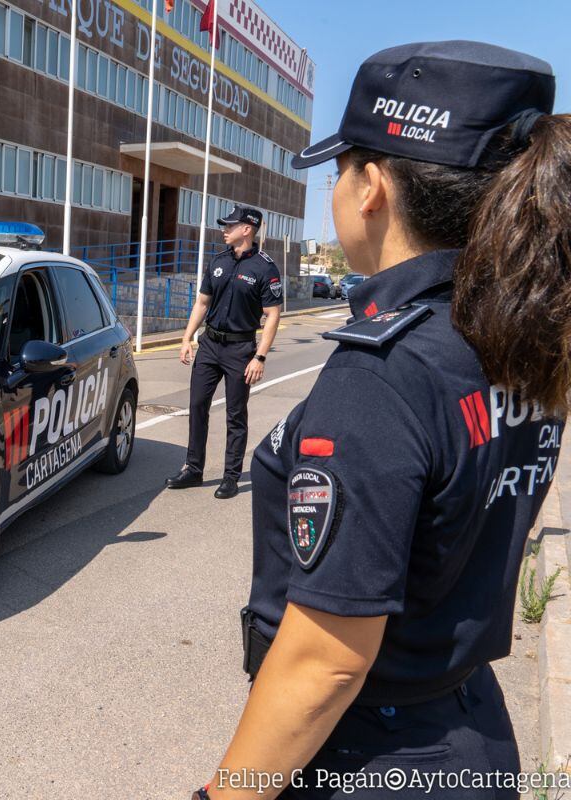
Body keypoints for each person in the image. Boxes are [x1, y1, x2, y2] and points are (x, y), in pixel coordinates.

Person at [190, 41, 569, 799]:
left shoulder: (382, 372)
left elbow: (326, 661)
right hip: (471, 727)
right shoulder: (516, 335)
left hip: (372, 754)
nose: (334, 189)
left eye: (339, 170)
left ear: (371, 187)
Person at [166, 206, 283, 500]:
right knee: (197, 406)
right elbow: (202, 303)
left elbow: (272, 315)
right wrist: (186, 338)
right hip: (210, 345)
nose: (224, 230)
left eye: (230, 225)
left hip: (240, 350)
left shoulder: (265, 268)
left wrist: (259, 357)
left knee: (235, 414)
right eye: (224, 225)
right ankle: (194, 469)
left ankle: (231, 476)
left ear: (247, 229)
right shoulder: (218, 261)